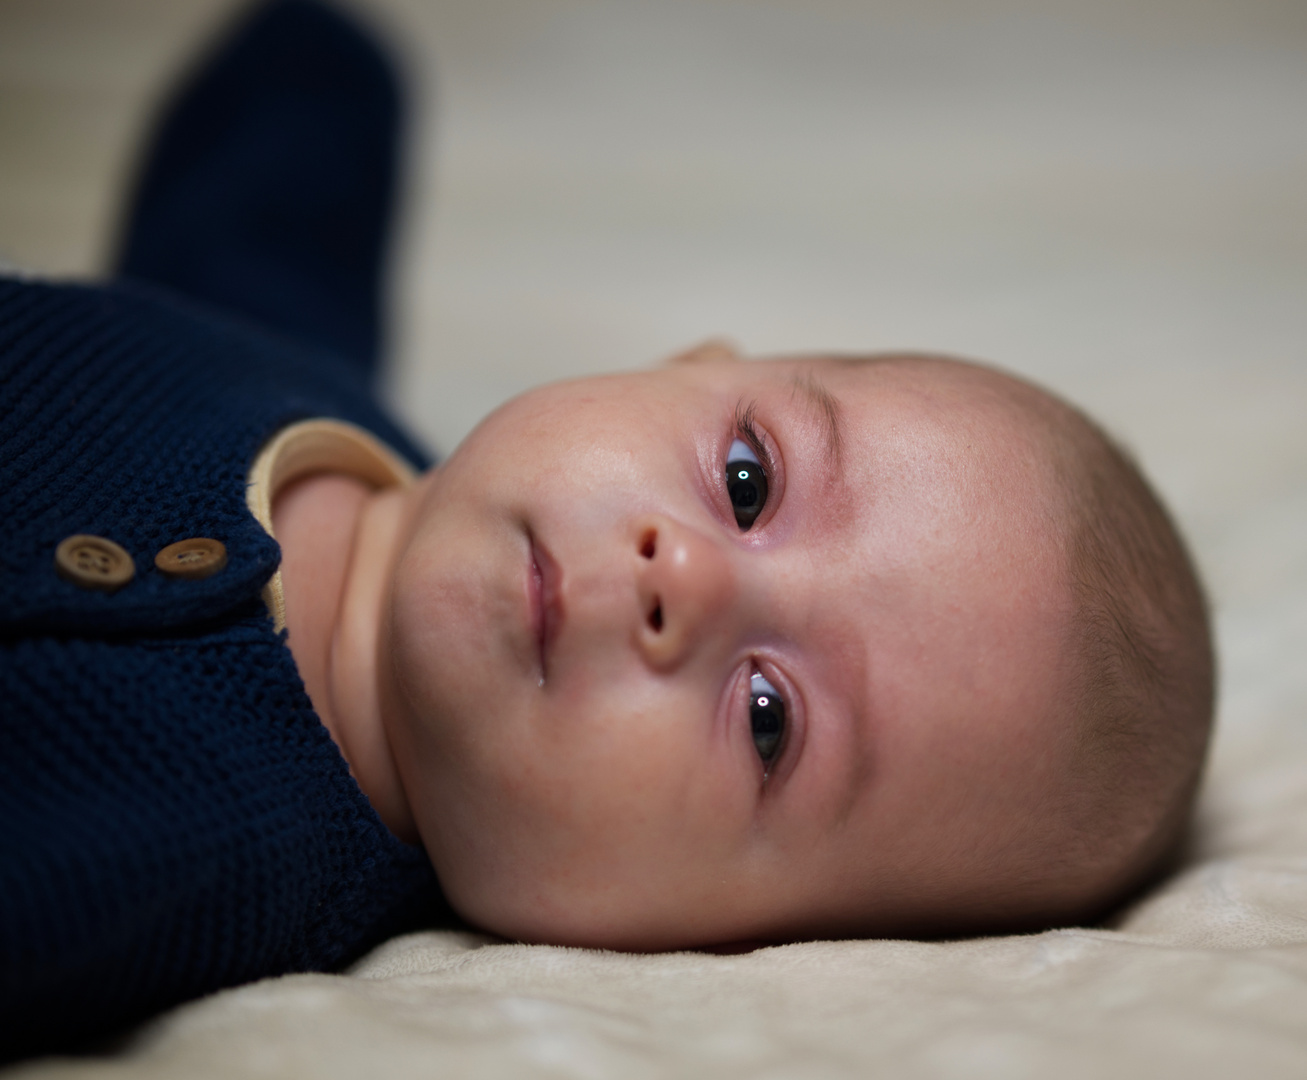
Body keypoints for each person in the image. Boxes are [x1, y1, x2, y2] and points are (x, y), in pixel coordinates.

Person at [0, 0, 1215, 1062]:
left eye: (766, 719)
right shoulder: (279, 360)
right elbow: (273, 183)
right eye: (746, 482)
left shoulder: (171, 869)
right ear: (684, 364)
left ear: (721, 940)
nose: (678, 577)